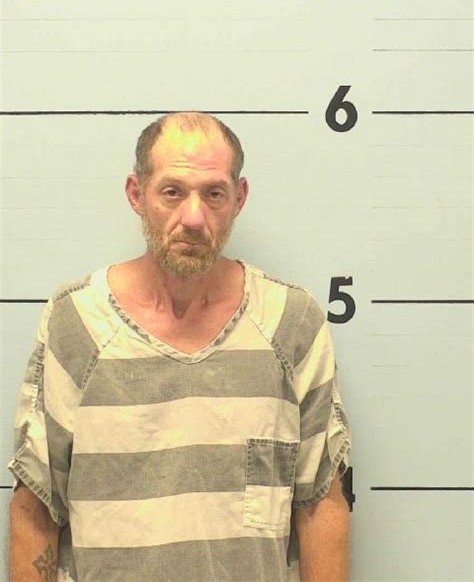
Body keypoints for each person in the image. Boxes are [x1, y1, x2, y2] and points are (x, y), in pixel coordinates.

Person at [7, 111, 352, 582]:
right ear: (136, 194)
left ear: (239, 198)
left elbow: (321, 504)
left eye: (214, 194)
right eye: (172, 192)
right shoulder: (79, 323)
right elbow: (36, 505)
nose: (193, 217)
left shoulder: (291, 323)